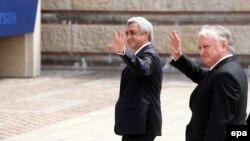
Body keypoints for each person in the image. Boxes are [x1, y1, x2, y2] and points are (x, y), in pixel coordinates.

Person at [169, 25, 248, 141]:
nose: (201, 52)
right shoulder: (229, 66)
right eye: (199, 48)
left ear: (223, 45)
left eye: (206, 47)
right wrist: (178, 56)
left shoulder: (225, 75)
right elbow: (203, 77)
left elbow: (219, 125)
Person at [107, 17, 162, 141]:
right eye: (127, 33)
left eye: (132, 33)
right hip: (135, 123)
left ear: (145, 35)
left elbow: (143, 68)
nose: (128, 36)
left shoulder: (150, 53)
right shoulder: (139, 54)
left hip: (141, 124)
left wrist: (123, 51)